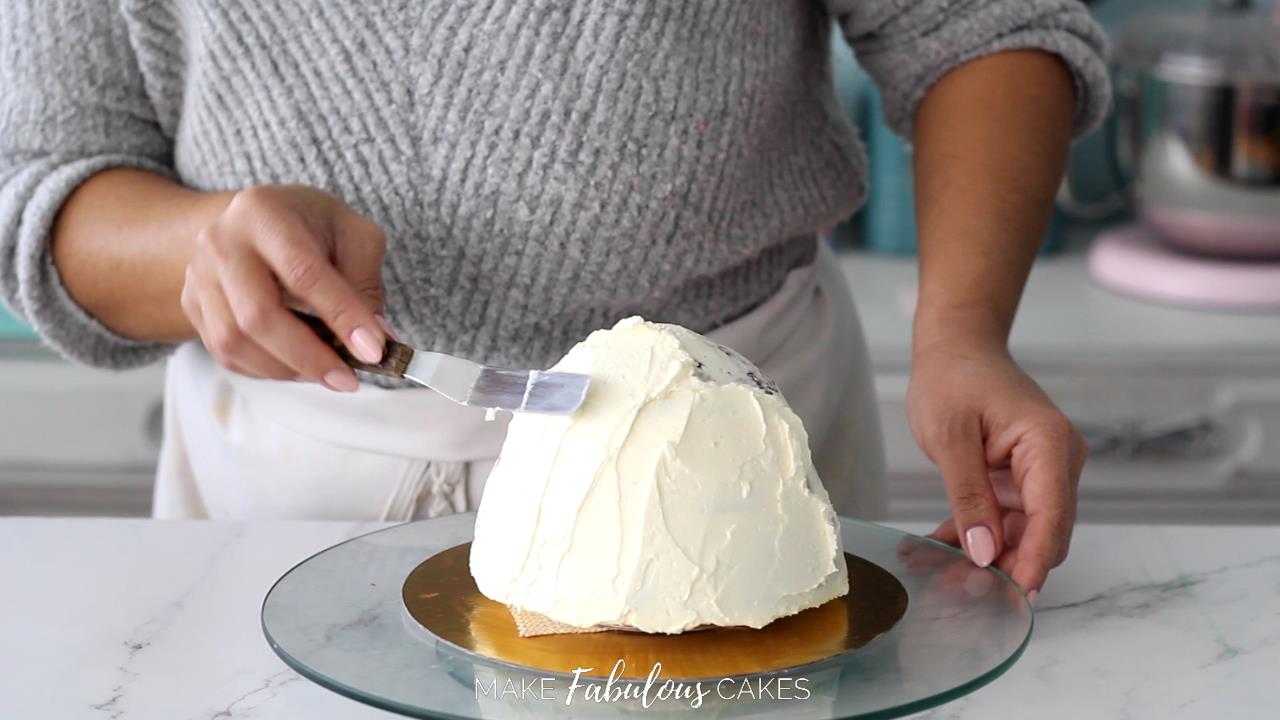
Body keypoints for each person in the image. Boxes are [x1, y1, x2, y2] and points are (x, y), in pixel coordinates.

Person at [0, 1, 1106, 602]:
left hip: (735, 463)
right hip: (292, 500)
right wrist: (200, 243)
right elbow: (40, 184)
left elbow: (975, 27)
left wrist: (961, 331)